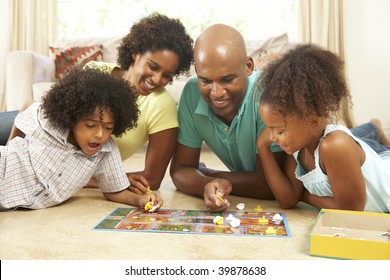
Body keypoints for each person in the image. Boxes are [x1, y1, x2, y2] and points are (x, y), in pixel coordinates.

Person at [0, 67, 163, 211]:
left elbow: (114, 191)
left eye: (108, 128)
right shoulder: (49, 123)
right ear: (72, 119)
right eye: (90, 126)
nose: (100, 134)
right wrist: (11, 145)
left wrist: (139, 200)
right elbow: (29, 106)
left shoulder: (106, 152)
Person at [256, 43, 390, 213]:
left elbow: (350, 211)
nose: (273, 137)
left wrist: (304, 195)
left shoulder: (335, 146)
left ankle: (376, 131)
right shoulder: (298, 150)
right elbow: (287, 199)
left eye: (280, 130)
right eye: (269, 129)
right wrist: (262, 147)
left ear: (312, 121)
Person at [170, 24, 286, 213]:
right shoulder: (191, 93)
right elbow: (180, 170)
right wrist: (207, 184)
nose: (216, 93)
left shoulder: (267, 95)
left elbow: (270, 185)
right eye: (205, 80)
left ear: (248, 67)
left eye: (227, 79)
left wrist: (208, 173)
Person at [85, 12, 193, 192]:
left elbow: (153, 179)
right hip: (47, 157)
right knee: (31, 107)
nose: (157, 80)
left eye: (167, 75)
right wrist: (114, 179)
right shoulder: (94, 72)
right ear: (135, 53)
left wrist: (87, 180)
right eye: (153, 67)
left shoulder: (162, 104)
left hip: (71, 177)